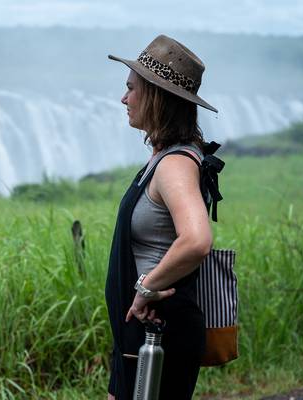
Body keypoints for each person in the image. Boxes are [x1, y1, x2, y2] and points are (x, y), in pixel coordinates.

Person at [104, 34, 218, 399]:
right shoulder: (163, 158)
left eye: (131, 88)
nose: (124, 99)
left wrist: (145, 288)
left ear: (155, 95)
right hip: (141, 329)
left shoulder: (174, 166)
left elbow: (197, 240)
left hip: (158, 328)